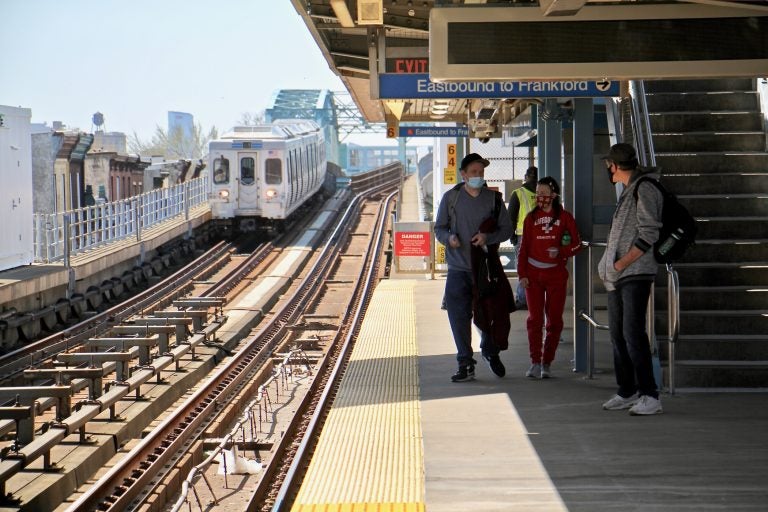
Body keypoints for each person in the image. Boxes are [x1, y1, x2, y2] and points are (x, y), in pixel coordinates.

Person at [434, 153, 513, 382]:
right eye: (474, 172)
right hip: (458, 269)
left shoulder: (494, 200)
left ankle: (490, 351)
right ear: (464, 174)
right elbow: (439, 228)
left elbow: (506, 229)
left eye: (481, 172)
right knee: (458, 317)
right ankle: (465, 362)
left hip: (485, 269)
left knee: (490, 313)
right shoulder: (451, 198)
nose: (478, 176)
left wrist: (487, 237)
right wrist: (449, 238)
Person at [598, 143, 664, 416]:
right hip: (619, 274)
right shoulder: (629, 190)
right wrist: (611, 267)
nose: (608, 171)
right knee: (617, 334)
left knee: (632, 333)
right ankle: (627, 390)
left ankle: (650, 395)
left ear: (614, 166)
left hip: (635, 272)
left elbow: (650, 232)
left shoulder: (644, 188)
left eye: (609, 166)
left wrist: (622, 262)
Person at [517, 176, 581, 379]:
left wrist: (561, 251)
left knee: (554, 321)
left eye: (544, 193)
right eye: (538, 193)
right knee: (534, 319)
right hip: (533, 276)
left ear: (554, 195)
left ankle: (547, 362)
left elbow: (577, 245)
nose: (540, 197)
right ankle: (535, 362)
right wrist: (522, 274)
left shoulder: (565, 218)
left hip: (556, 275)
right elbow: (523, 249)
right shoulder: (530, 218)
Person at [508, 166, 538, 310]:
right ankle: (537, 297)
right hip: (541, 236)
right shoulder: (544, 192)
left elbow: (511, 218)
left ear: (526, 177)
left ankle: (522, 299)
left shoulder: (518, 193)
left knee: (522, 267)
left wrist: (511, 235)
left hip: (522, 236)